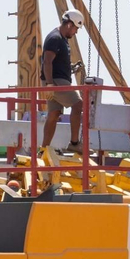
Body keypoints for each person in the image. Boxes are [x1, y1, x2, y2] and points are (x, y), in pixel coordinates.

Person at [40, 9, 85, 152]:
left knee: (54, 114)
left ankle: (44, 149)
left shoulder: (61, 39)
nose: (76, 33)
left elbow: (56, 62)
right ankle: (74, 143)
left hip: (55, 81)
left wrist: (70, 67)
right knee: (78, 105)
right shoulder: (55, 38)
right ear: (70, 25)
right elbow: (47, 61)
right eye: (76, 29)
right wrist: (49, 85)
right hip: (56, 82)